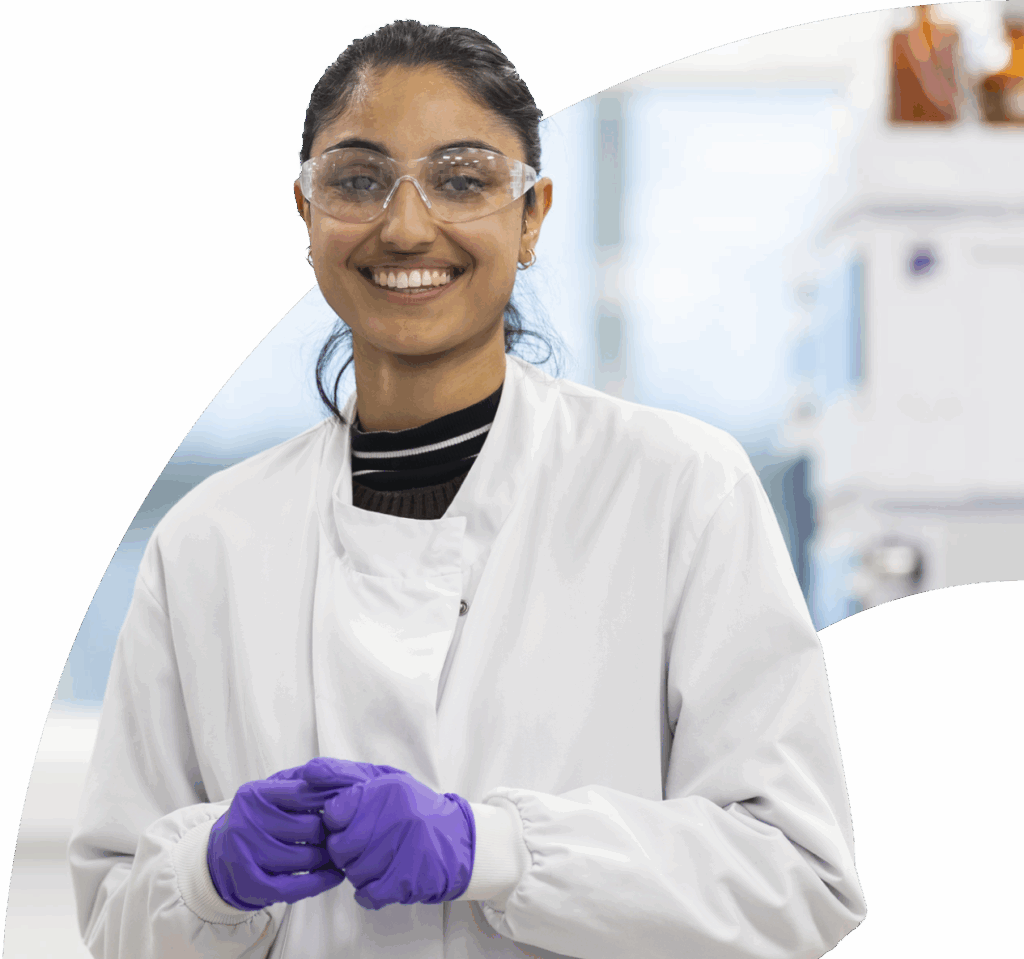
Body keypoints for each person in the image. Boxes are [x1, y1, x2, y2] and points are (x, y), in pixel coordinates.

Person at [69, 19, 867, 959]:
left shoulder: (680, 490)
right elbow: (118, 919)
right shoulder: (209, 540)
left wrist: (495, 850)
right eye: (359, 180)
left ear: (532, 216)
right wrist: (207, 874)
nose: (406, 225)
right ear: (307, 214)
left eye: (462, 179)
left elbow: (794, 879)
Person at [889, 4, 964, 123]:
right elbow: (897, 88)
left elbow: (957, 80)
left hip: (944, 120)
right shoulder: (900, 39)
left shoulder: (949, 35)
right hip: (909, 122)